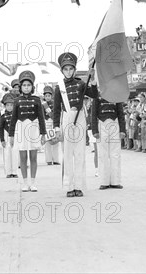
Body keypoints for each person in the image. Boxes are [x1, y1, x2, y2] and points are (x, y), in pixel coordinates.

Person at [53, 52, 98, 198]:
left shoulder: (81, 84)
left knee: (79, 153)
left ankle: (79, 186)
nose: (68, 72)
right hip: (66, 118)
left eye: (70, 69)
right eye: (65, 69)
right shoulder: (59, 87)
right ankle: (69, 186)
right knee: (67, 154)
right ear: (62, 71)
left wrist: (93, 79)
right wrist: (57, 128)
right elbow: (56, 109)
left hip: (80, 118)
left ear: (75, 70)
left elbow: (94, 94)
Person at [9, 71, 46, 192]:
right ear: (20, 87)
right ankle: (25, 183)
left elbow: (41, 118)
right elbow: (13, 118)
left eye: (28, 85)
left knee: (33, 157)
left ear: (32, 87)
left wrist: (43, 134)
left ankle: (33, 182)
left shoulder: (36, 100)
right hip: (21, 128)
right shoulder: (17, 101)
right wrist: (11, 135)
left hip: (34, 129)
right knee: (23, 157)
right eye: (24, 85)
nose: (26, 87)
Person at [91, 96, 126, 190]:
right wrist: (95, 130)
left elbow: (120, 113)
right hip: (102, 125)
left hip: (115, 124)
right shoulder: (97, 95)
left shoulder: (116, 95)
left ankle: (116, 181)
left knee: (115, 154)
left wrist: (122, 130)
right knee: (103, 154)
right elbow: (93, 114)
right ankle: (104, 181)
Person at [0, 93, 18, 179]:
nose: (10, 107)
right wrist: (2, 140)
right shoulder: (3, 117)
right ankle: (8, 172)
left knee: (15, 153)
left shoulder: (16, 116)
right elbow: (1, 129)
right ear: (5, 106)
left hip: (15, 135)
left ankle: (14, 171)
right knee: (7, 154)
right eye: (8, 105)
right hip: (6, 135)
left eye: (11, 105)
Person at [42, 86, 60, 166]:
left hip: (53, 123)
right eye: (46, 96)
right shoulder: (43, 105)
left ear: (51, 96)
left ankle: (56, 159)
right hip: (46, 123)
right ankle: (48, 160)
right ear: (44, 96)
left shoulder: (55, 103)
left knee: (55, 141)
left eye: (49, 96)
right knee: (48, 143)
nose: (47, 97)